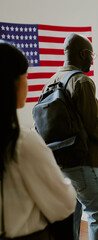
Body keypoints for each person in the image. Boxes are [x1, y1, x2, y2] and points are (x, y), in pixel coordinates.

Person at [43, 33, 98, 240]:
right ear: (82, 53)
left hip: (59, 161)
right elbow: (93, 126)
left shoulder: (51, 81)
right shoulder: (81, 81)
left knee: (72, 213)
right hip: (83, 161)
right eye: (91, 55)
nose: (91, 60)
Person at [0, 41, 76, 239]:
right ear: (11, 83)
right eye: (25, 76)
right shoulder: (22, 142)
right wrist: (62, 180)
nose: (27, 82)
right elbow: (64, 204)